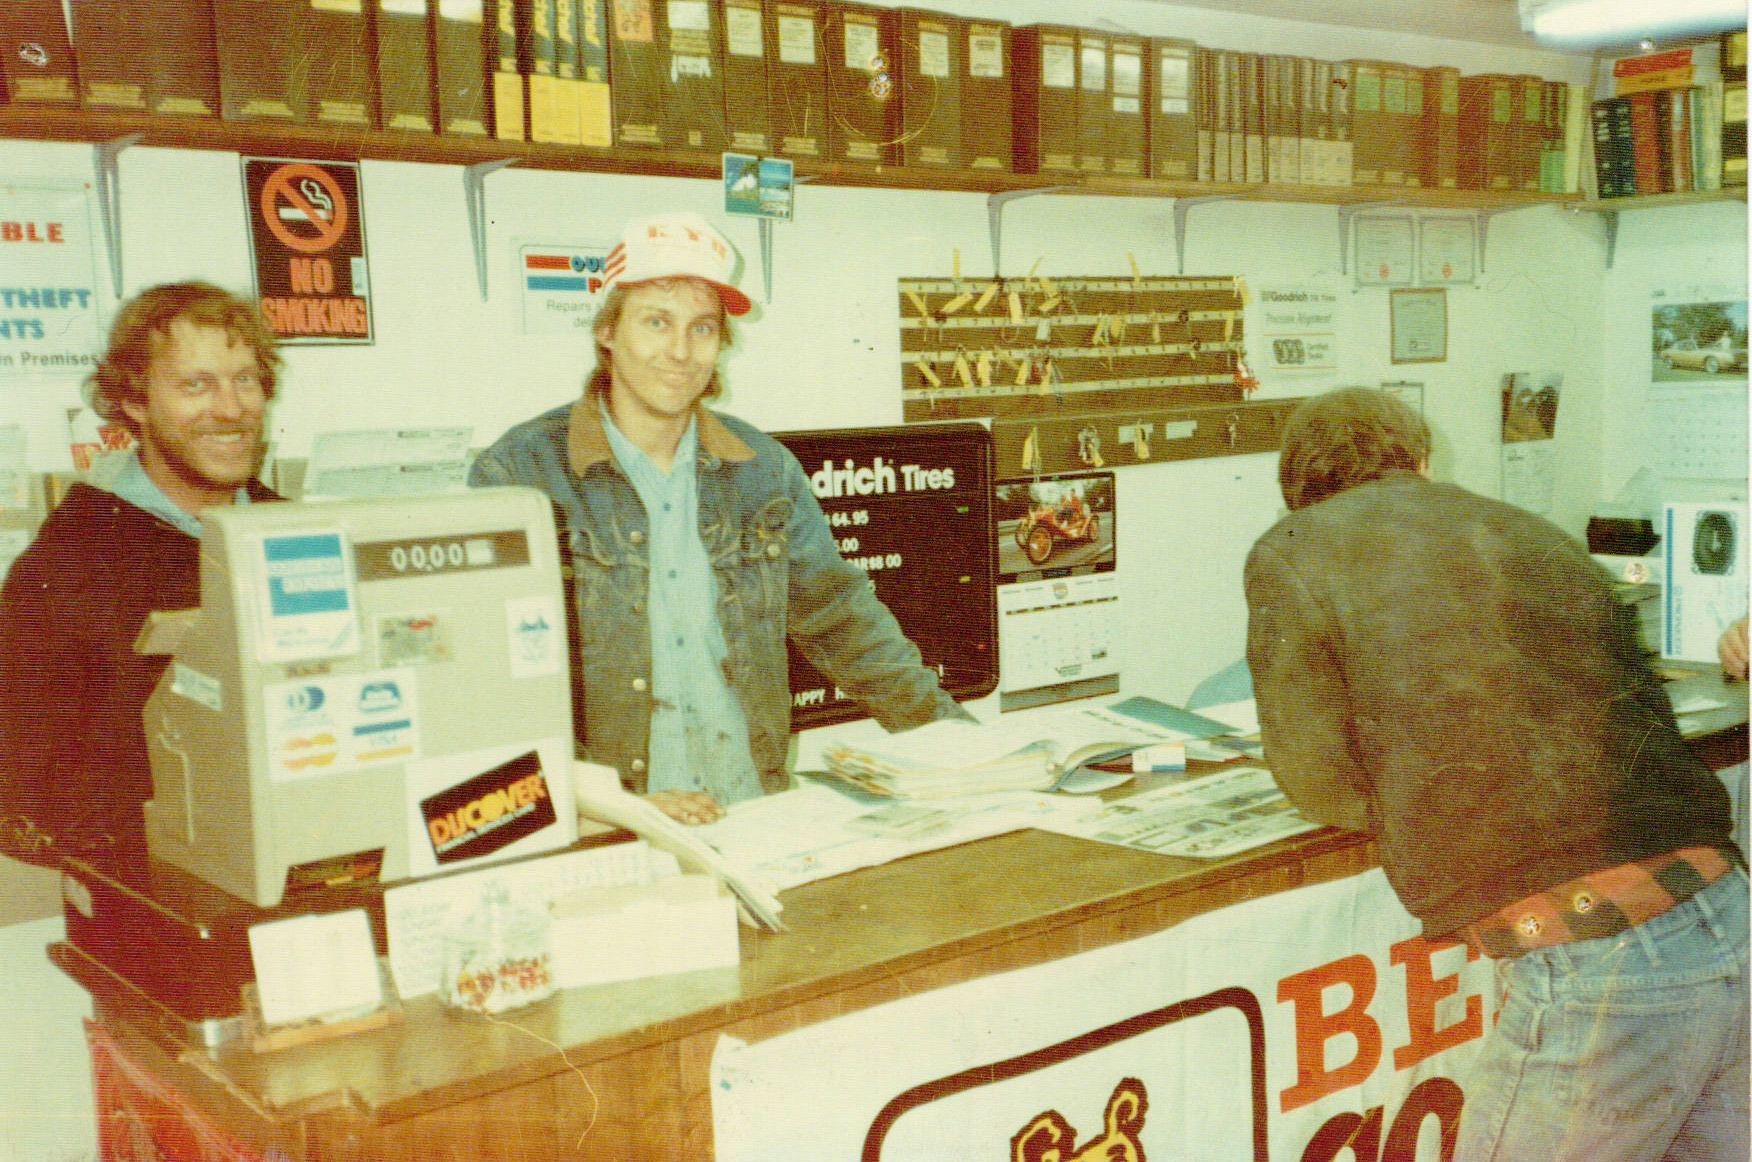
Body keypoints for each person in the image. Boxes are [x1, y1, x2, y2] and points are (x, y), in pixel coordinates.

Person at [1243, 387, 1747, 1162]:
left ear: (1296, 494)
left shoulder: (1292, 550)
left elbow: (1316, 779)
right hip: (1725, 914)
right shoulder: (1529, 531)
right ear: (1418, 459)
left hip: (1599, 957)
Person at [471, 211, 969, 826]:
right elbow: (493, 682)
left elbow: (842, 621)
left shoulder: (761, 469)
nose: (680, 352)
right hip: (612, 825)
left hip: (751, 810)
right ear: (608, 332)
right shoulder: (520, 474)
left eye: (702, 328)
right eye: (657, 322)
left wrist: (965, 749)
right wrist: (607, 804)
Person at [0, 282, 283, 866]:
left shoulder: (298, 531)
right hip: (165, 886)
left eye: (244, 379)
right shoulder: (68, 565)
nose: (231, 409)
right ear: (133, 403)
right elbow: (24, 791)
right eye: (195, 385)